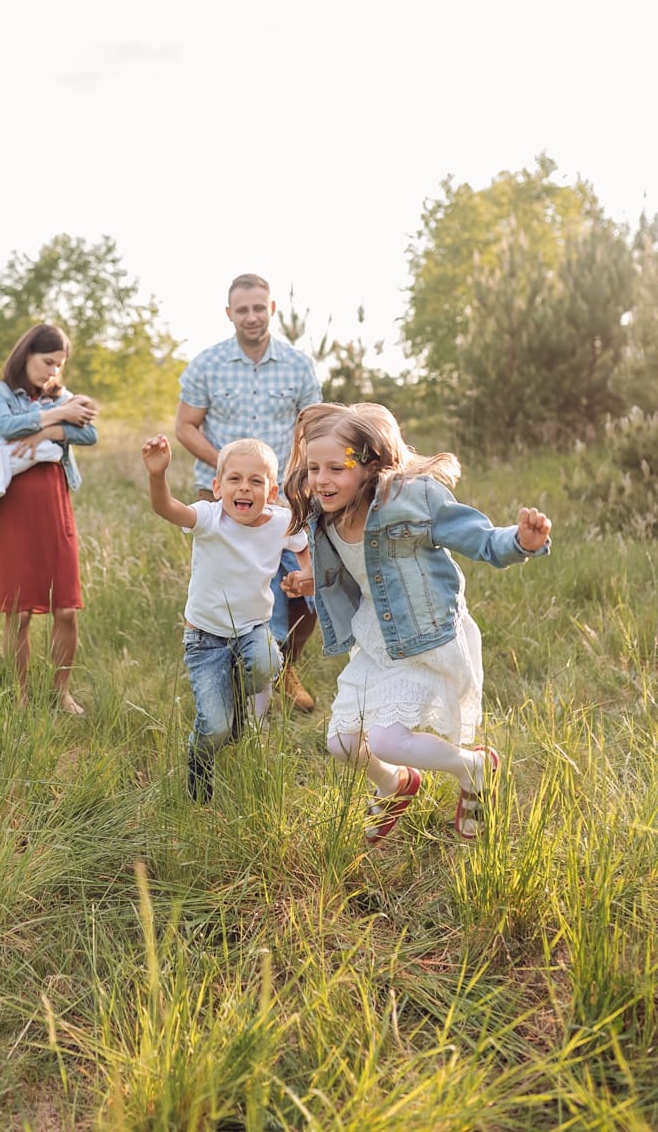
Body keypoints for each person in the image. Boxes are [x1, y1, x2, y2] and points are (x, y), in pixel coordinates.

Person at [281, 401, 552, 844]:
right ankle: (395, 784)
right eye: (314, 468)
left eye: (336, 467)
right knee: (342, 743)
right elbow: (359, 568)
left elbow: (481, 540)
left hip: (426, 636)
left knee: (386, 739)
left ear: (369, 465)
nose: (321, 480)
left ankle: (477, 768)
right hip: (377, 639)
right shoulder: (326, 516)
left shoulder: (413, 501)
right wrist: (310, 580)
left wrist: (521, 541)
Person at [175, 273, 322, 712]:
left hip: (288, 493)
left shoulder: (298, 366)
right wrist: (236, 471)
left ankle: (283, 666)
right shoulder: (207, 364)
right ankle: (223, 669)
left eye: (259, 308)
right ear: (229, 314)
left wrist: (292, 484)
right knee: (235, 582)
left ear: (272, 309)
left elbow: (312, 427)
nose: (252, 317)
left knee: (304, 587)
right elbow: (185, 426)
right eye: (242, 309)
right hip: (226, 495)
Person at [141, 433, 312, 803]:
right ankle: (200, 763)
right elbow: (166, 508)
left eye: (256, 481)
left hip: (253, 629)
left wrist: (306, 577)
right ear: (218, 487)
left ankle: (238, 701)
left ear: (272, 492)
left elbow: (303, 547)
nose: (244, 488)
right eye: (234, 479)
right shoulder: (209, 517)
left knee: (267, 663)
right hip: (205, 640)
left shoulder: (281, 521)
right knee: (215, 729)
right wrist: (158, 475)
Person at [0, 323, 98, 713]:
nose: (53, 372)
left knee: (66, 608)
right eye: (47, 362)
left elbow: (89, 436)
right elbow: (4, 427)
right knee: (19, 610)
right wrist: (60, 416)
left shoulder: (64, 396)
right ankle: (20, 697)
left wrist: (48, 431)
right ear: (26, 354)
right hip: (11, 508)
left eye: (59, 365)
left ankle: (61, 693)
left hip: (54, 505)